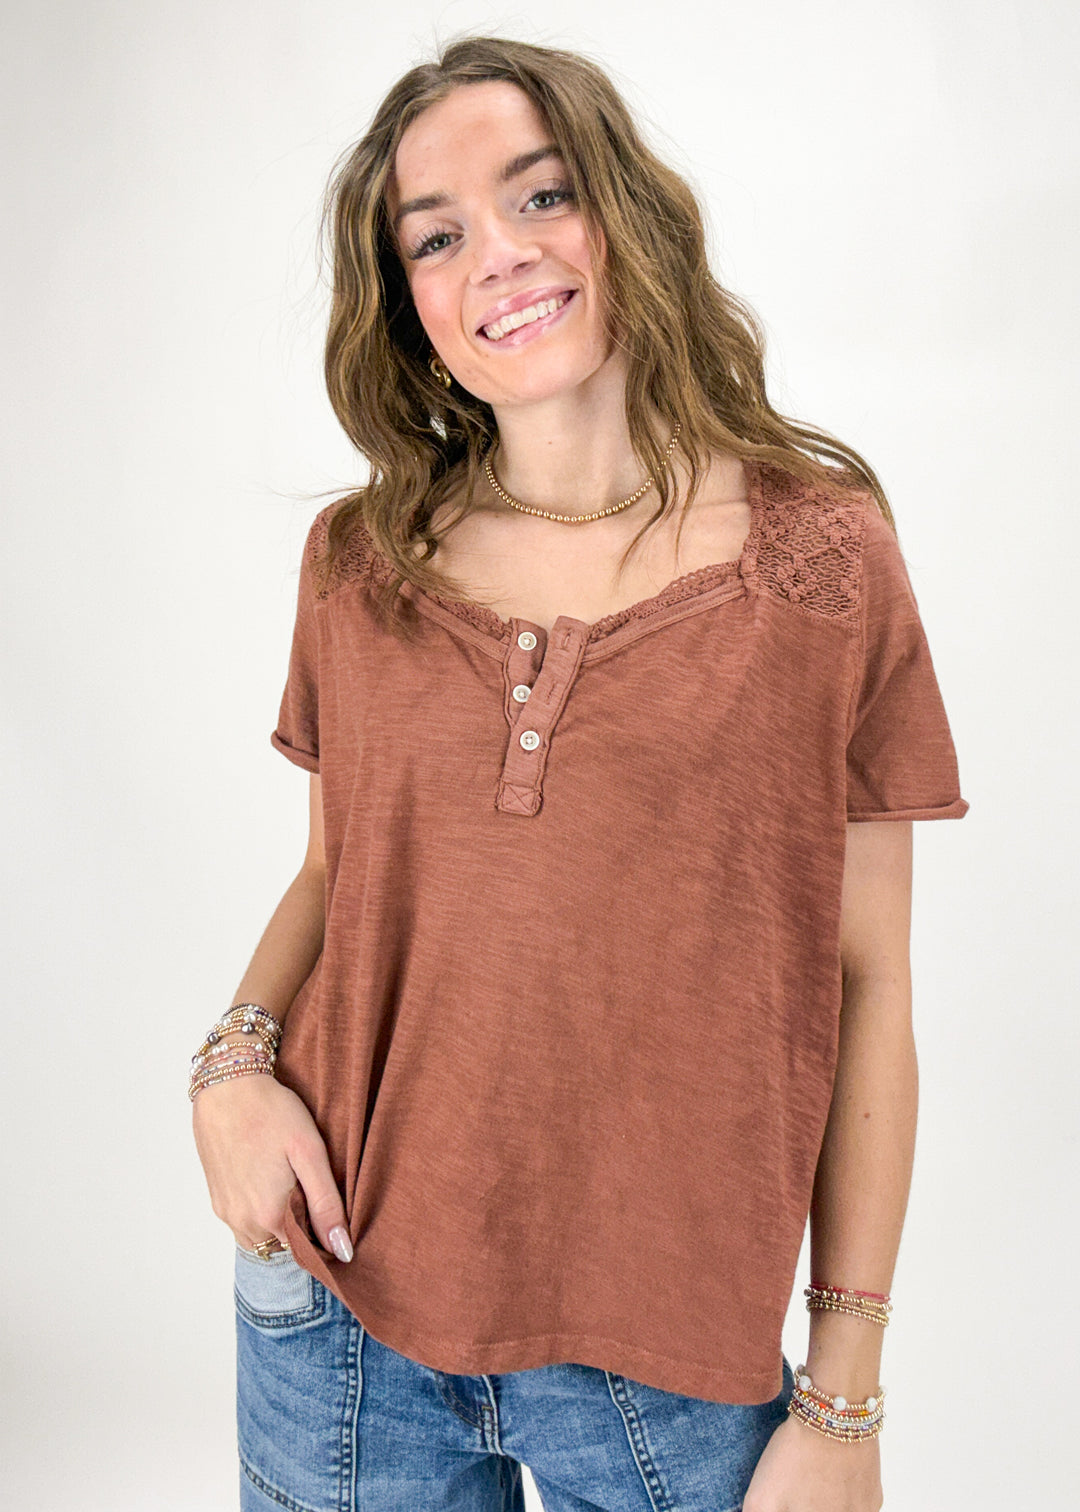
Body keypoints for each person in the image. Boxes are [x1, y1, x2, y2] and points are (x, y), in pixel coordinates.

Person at [191, 33, 969, 1512]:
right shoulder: (359, 564)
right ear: (412, 307)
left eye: (539, 196)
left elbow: (868, 983)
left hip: (670, 1359)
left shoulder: (824, 558)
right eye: (438, 235)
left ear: (623, 215)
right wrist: (227, 1075)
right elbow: (333, 874)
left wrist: (845, 1402)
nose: (499, 254)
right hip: (336, 1317)